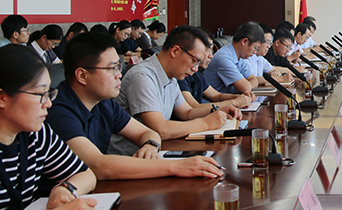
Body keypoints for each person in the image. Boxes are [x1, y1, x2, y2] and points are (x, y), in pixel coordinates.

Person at [46, 33, 224, 180]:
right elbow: (98, 165)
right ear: (82, 76)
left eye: (119, 67)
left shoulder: (104, 103)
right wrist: (177, 166)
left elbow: (148, 133)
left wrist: (151, 145)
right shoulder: (58, 111)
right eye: (112, 68)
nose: (119, 75)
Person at [0, 44, 97, 210]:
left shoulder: (36, 133)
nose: (48, 103)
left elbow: (86, 175)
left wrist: (65, 189)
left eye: (49, 93)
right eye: (40, 95)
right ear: (2, 98)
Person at [111, 26, 239, 156]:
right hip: (130, 158)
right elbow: (160, 129)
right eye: (195, 61)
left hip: (158, 152)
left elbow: (187, 112)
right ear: (175, 51)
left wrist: (217, 110)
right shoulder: (142, 76)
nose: (195, 69)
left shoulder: (170, 76)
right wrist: (205, 123)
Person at [178, 32, 253, 107]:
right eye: (207, 50)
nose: (211, 56)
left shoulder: (196, 74)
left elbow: (217, 96)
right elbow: (193, 107)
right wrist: (234, 102)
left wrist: (239, 98)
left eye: (211, 50)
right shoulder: (180, 75)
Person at [203, 22, 264, 97]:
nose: (255, 52)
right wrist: (247, 87)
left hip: (229, 99)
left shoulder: (239, 56)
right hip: (215, 102)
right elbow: (245, 87)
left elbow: (253, 79)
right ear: (244, 41)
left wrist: (248, 86)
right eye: (255, 48)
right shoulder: (224, 58)